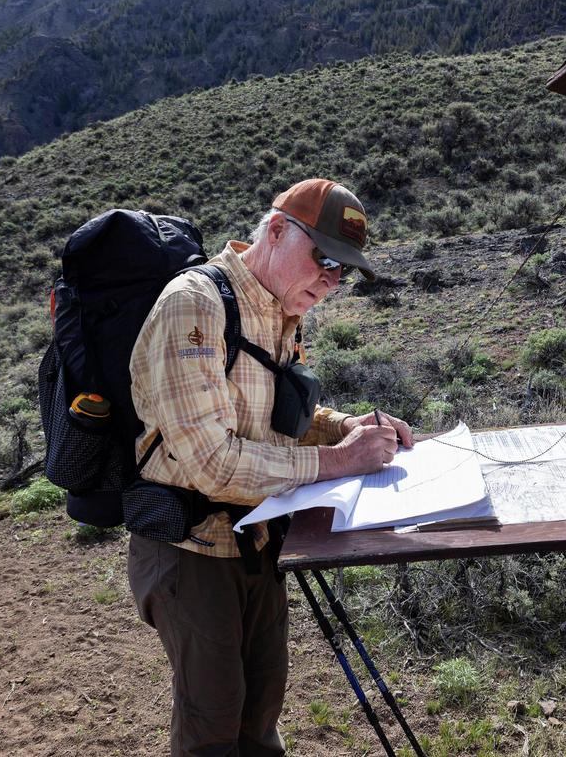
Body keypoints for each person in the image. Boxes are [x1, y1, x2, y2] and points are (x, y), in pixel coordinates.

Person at [127, 178, 414, 756]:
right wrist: (337, 461)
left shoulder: (282, 310)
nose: (331, 281)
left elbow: (278, 417)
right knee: (213, 725)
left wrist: (345, 427)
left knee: (260, 716)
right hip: (191, 550)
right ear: (277, 231)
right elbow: (210, 460)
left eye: (345, 270)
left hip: (258, 540)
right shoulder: (196, 306)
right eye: (325, 260)